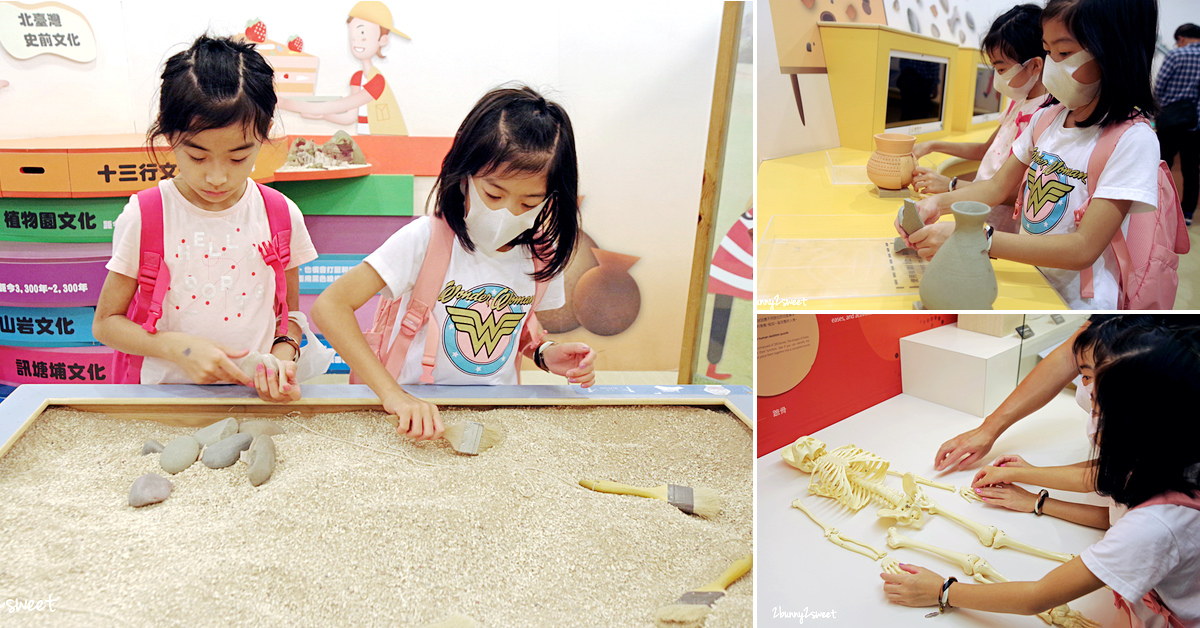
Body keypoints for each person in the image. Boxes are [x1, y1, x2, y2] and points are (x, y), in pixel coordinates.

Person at [312, 86, 596, 441]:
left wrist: (544, 354)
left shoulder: (542, 255)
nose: (506, 212)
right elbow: (330, 307)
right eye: (493, 193)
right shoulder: (425, 239)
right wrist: (394, 395)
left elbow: (510, 328)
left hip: (494, 416)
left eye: (529, 202)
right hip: (413, 414)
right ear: (464, 175)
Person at [883, 325, 1200, 627]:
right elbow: (1116, 515)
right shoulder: (1176, 462)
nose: (1090, 411)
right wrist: (1036, 500)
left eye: (1097, 407)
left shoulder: (1154, 528)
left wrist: (944, 590)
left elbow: (1037, 597)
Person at [92, 35, 318, 402]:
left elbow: (289, 316)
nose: (217, 177)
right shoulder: (147, 215)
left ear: (264, 135)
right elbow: (105, 324)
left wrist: (282, 357)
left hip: (253, 400)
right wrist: (177, 349)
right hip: (162, 398)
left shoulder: (281, 214)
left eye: (238, 157)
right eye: (197, 157)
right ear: (168, 136)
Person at [901, 0, 1162, 310]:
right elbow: (996, 187)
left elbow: (1083, 248)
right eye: (1048, 52)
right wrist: (935, 204)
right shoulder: (1046, 119)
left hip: (1077, 302)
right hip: (1030, 277)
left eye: (1064, 53)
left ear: (1115, 51)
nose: (1052, 65)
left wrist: (977, 238)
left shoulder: (1133, 140)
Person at [911, 4, 1049, 234]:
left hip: (1004, 227)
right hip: (982, 209)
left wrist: (951, 185)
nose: (997, 77)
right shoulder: (1019, 103)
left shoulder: (1045, 116)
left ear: (1035, 64)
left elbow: (1020, 192)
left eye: (1002, 68)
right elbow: (987, 149)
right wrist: (933, 145)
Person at [277, 1, 409, 135]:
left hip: (389, 140)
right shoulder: (357, 78)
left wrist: (282, 102)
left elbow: (341, 105)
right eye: (352, 35)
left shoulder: (377, 81)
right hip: (366, 138)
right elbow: (349, 117)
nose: (356, 41)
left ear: (383, 40)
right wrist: (324, 116)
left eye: (362, 33)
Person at [1154, 22, 1200, 225]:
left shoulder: (1176, 55)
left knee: (1162, 165)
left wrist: (1158, 112)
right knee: (1191, 169)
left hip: (1169, 121)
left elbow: (1158, 88)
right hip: (1194, 124)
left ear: (1180, 38)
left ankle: (1158, 209)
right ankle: (1187, 213)